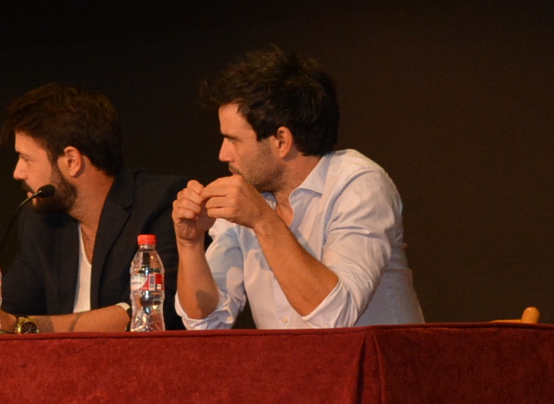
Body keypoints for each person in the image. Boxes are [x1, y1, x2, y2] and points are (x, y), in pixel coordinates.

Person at [174, 45, 423, 330]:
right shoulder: (250, 199)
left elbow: (334, 316)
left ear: (281, 141)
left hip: (375, 371)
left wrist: (263, 221)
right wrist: (190, 243)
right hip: (295, 372)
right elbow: (206, 322)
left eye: (234, 140)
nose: (223, 154)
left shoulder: (358, 183)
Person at [0, 83, 184, 336]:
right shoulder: (43, 223)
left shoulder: (161, 203)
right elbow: (10, 309)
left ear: (71, 161)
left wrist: (22, 326)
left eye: (26, 159)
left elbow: (157, 311)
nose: (17, 172)